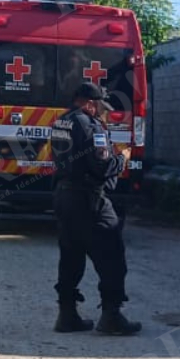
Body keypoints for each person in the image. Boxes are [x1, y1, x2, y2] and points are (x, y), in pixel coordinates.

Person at [48, 81, 140, 336]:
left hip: (64, 197)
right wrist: (123, 158)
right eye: (100, 106)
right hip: (89, 199)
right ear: (89, 103)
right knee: (112, 257)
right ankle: (111, 317)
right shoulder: (89, 125)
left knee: (71, 257)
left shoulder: (61, 121)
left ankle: (67, 315)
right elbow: (102, 166)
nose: (102, 111)